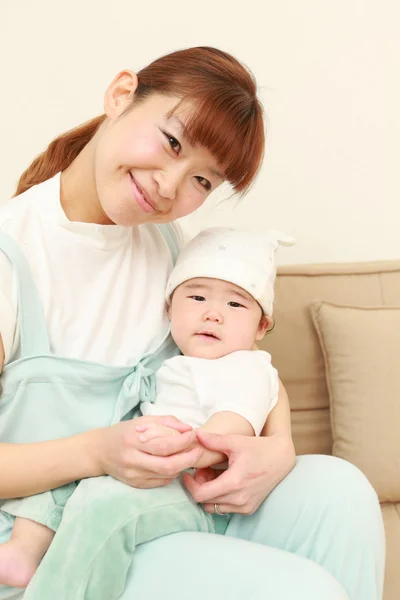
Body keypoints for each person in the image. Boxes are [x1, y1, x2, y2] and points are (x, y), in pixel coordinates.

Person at [0, 46, 384, 600]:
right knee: (302, 590)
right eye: (172, 142)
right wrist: (96, 452)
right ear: (120, 95)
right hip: (42, 545)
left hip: (149, 508)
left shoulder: (166, 246)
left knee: (340, 489)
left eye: (202, 181)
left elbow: (241, 363)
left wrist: (277, 445)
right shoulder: (14, 258)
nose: (168, 187)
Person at [0, 226, 292, 597]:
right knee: (59, 483)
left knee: (101, 508)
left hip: (188, 483)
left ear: (261, 326)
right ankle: (23, 552)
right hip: (142, 465)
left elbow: (232, 427)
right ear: (169, 309)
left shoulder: (244, 368)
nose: (213, 314)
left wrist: (185, 448)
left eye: (235, 304)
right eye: (197, 298)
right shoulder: (173, 358)